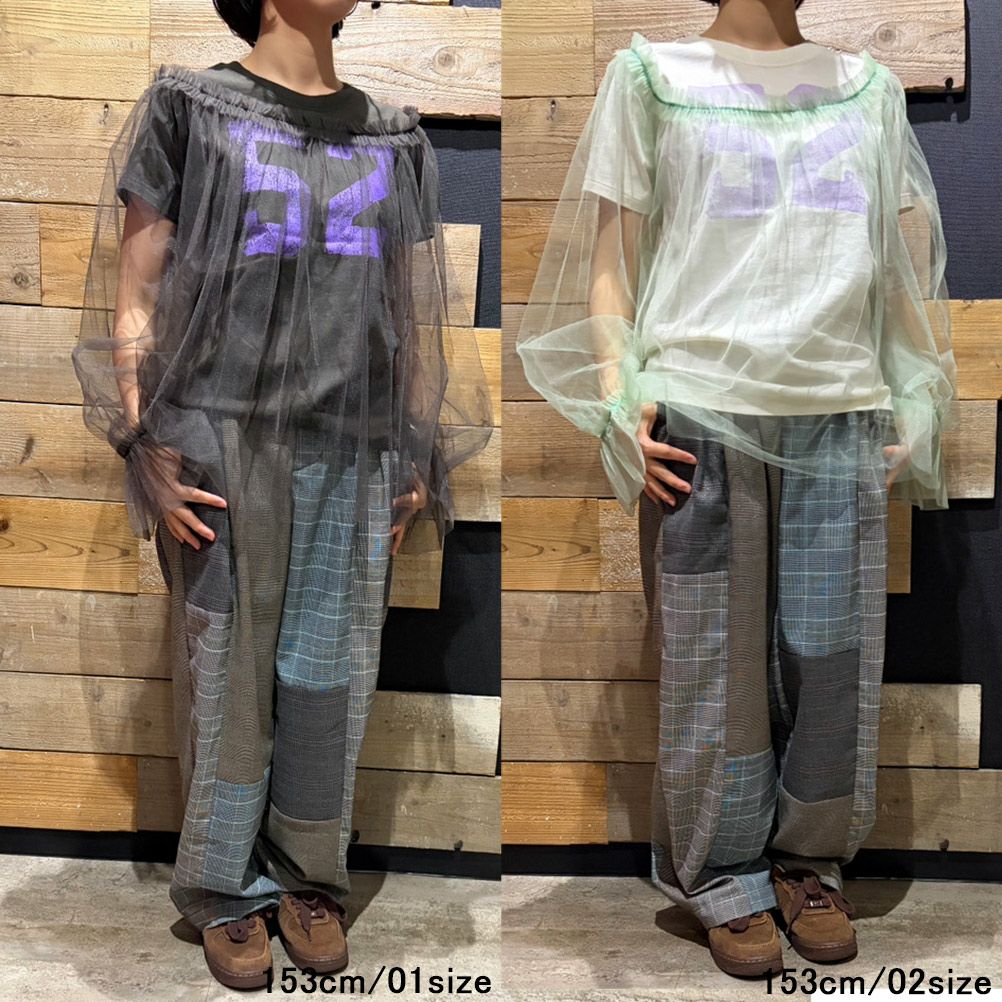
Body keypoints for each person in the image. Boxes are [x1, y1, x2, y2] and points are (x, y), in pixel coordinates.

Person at [516, 0, 955, 979]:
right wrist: (617, 393)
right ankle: (723, 876)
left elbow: (891, 262)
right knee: (712, 661)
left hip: (841, 407)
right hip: (702, 410)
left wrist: (917, 389)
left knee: (831, 660)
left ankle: (810, 864)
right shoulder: (651, 78)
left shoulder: (868, 91)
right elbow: (612, 259)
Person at [71, 0, 492, 989]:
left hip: (353, 443)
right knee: (226, 671)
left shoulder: (394, 139)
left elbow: (408, 313)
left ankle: (308, 876)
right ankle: (223, 887)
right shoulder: (190, 109)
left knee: (328, 670)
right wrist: (141, 439)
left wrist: (415, 448)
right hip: (220, 441)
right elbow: (137, 293)